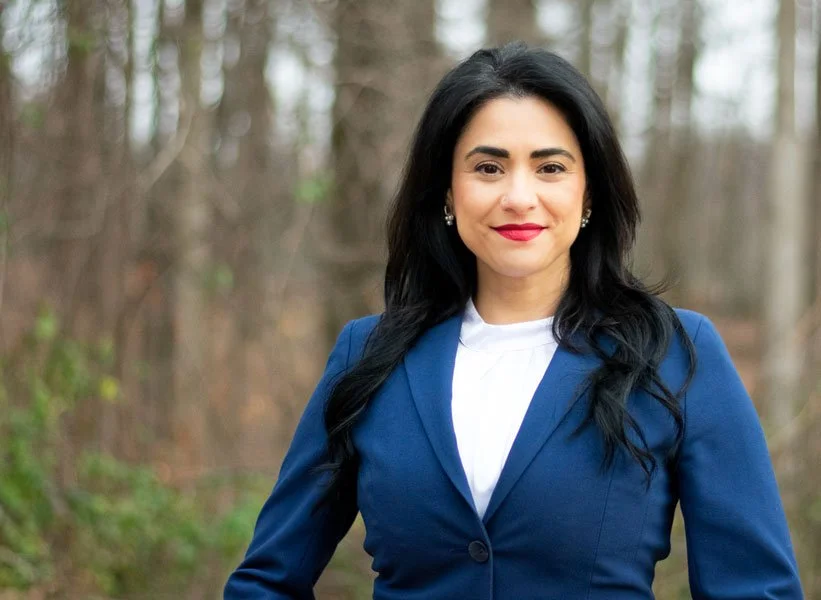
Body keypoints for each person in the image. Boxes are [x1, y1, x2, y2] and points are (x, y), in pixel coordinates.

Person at [224, 42, 804, 599]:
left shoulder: (675, 352)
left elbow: (754, 589)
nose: (520, 197)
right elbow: (266, 581)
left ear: (589, 193)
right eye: (488, 168)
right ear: (447, 193)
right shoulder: (368, 355)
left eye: (550, 168)